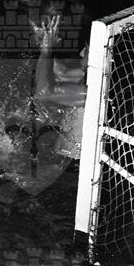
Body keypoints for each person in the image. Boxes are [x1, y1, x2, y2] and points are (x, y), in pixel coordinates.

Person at [29, 15, 87, 160]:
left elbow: (44, 93)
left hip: (76, 164)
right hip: (62, 158)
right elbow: (62, 73)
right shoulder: (89, 77)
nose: (82, 53)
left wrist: (46, 50)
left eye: (87, 49)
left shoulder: (92, 92)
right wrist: (44, 42)